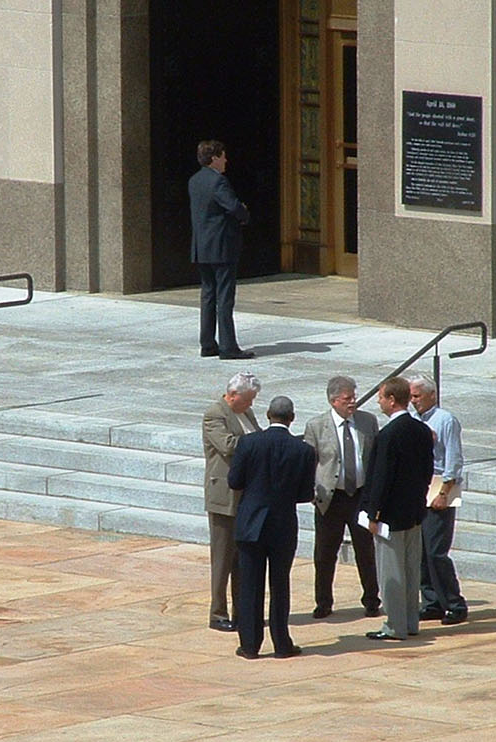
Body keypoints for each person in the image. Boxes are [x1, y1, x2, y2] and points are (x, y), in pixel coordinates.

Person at [227, 395, 316, 659]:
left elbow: (234, 481)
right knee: (280, 585)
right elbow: (304, 494)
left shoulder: (249, 443)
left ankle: (250, 644)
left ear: (268, 415)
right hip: (282, 525)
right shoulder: (303, 450)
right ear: (292, 418)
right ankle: (281, 643)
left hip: (251, 523)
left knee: (250, 585)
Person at [359, 376, 435, 641]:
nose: (379, 402)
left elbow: (381, 478)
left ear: (392, 400)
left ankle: (394, 625)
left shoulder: (388, 435)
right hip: (414, 512)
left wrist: (373, 513)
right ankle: (411, 621)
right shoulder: (421, 430)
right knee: (411, 570)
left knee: (391, 573)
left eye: (381, 397)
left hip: (390, 516)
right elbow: (427, 472)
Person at [301, 375, 382, 619]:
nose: (352, 402)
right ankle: (323, 602)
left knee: (365, 551)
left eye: (354, 397)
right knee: (325, 553)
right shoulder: (317, 426)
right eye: (347, 398)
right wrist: (313, 493)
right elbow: (309, 462)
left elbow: (375, 458)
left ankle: (371, 600)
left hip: (360, 495)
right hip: (331, 498)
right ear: (334, 400)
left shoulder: (368, 422)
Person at [202, 371, 262, 632]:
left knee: (242, 558)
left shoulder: (245, 413)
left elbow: (255, 436)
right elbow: (229, 446)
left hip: (247, 495)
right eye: (247, 399)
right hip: (224, 496)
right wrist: (261, 445)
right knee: (222, 558)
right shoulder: (215, 414)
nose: (250, 405)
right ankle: (218, 613)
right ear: (233, 395)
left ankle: (242, 610)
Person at [409, 374, 468, 625]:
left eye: (417, 396)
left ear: (432, 395)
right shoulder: (413, 420)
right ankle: (431, 601)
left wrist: (444, 492)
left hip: (440, 485)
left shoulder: (445, 420)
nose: (413, 401)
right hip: (420, 486)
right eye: (411, 396)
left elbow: (453, 460)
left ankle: (454, 602)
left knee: (436, 551)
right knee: (421, 551)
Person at [189, 139, 252, 360]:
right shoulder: (219, 182)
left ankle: (207, 343)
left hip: (202, 248)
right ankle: (228, 346)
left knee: (208, 295)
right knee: (224, 298)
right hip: (222, 247)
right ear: (214, 158)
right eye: (223, 156)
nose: (226, 160)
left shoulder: (194, 180)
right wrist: (244, 212)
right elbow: (233, 207)